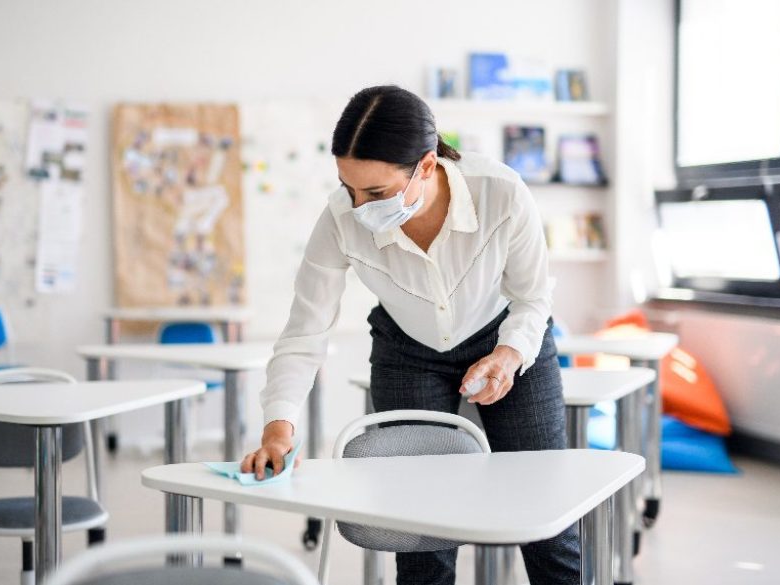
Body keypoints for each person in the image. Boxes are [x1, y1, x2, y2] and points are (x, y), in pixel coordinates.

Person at [240, 85, 579, 585]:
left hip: (506, 339)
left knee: (547, 514)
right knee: (420, 529)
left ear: (426, 165)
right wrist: (278, 428)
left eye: (374, 193)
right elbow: (304, 333)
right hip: (407, 351)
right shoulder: (339, 220)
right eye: (348, 188)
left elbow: (532, 298)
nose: (358, 207)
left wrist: (507, 356)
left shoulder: (501, 192)